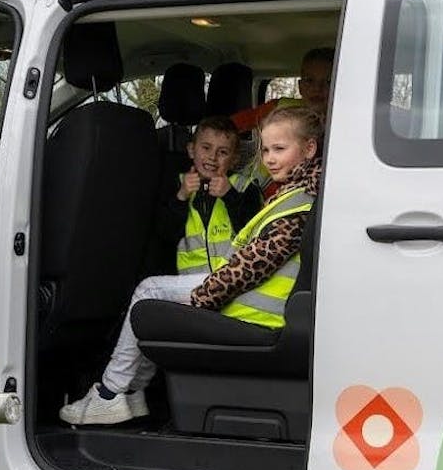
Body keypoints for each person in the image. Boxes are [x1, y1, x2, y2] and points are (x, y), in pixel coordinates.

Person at [60, 105, 324, 425]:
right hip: (237, 293)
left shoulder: (285, 199)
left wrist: (202, 298)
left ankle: (110, 394)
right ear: (191, 149)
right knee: (152, 295)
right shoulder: (296, 192)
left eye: (279, 149)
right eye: (266, 149)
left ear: (309, 148)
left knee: (148, 291)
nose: (269, 158)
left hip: (249, 305)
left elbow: (253, 265)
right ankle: (130, 393)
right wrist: (181, 196)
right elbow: (167, 233)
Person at [156, 116, 262, 276]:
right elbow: (165, 236)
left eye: (223, 152)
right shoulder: (177, 185)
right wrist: (182, 196)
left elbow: (254, 235)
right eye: (206, 148)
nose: (212, 157)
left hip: (232, 277)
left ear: (234, 160)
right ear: (191, 150)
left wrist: (229, 195)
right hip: (188, 281)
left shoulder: (246, 187)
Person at [231, 47, 333, 199]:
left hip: (299, 199)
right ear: (300, 86)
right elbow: (229, 126)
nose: (317, 88)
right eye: (310, 81)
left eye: (328, 81)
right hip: (254, 190)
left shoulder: (343, 123)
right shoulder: (279, 108)